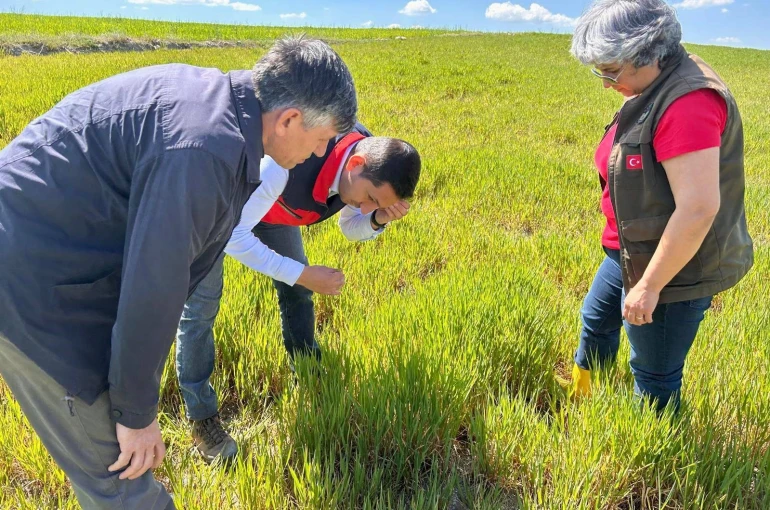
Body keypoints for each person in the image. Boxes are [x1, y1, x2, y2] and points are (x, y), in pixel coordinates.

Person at [0, 36, 357, 509]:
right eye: (322, 138)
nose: (319, 152)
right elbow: (156, 285)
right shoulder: (206, 150)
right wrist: (135, 413)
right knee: (122, 478)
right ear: (290, 119)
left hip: (50, 255)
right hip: (30, 281)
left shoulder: (216, 108)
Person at [175, 124, 421, 463]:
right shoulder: (286, 162)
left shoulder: (364, 165)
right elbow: (233, 236)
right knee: (201, 308)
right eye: (371, 199)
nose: (365, 207)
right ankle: (202, 418)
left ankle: (306, 370)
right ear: (356, 164)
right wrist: (303, 274)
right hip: (214, 204)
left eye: (375, 204)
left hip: (272, 205)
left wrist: (377, 218)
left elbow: (351, 225)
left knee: (298, 291)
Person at [561, 0, 753, 412]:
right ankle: (582, 399)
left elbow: (698, 208)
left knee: (653, 371)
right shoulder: (655, 83)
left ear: (649, 53)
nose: (606, 84)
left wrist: (648, 288)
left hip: (672, 269)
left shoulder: (688, 103)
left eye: (611, 71)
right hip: (628, 251)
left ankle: (648, 450)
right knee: (595, 323)